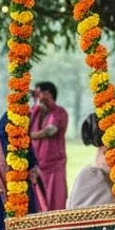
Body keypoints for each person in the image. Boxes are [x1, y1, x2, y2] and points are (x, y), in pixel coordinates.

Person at [29, 81, 69, 211]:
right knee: (37, 204)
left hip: (54, 167)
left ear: (49, 94)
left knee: (55, 204)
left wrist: (28, 136)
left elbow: (50, 130)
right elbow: (24, 125)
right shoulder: (34, 112)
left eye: (40, 94)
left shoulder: (59, 112)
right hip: (36, 167)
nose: (38, 98)